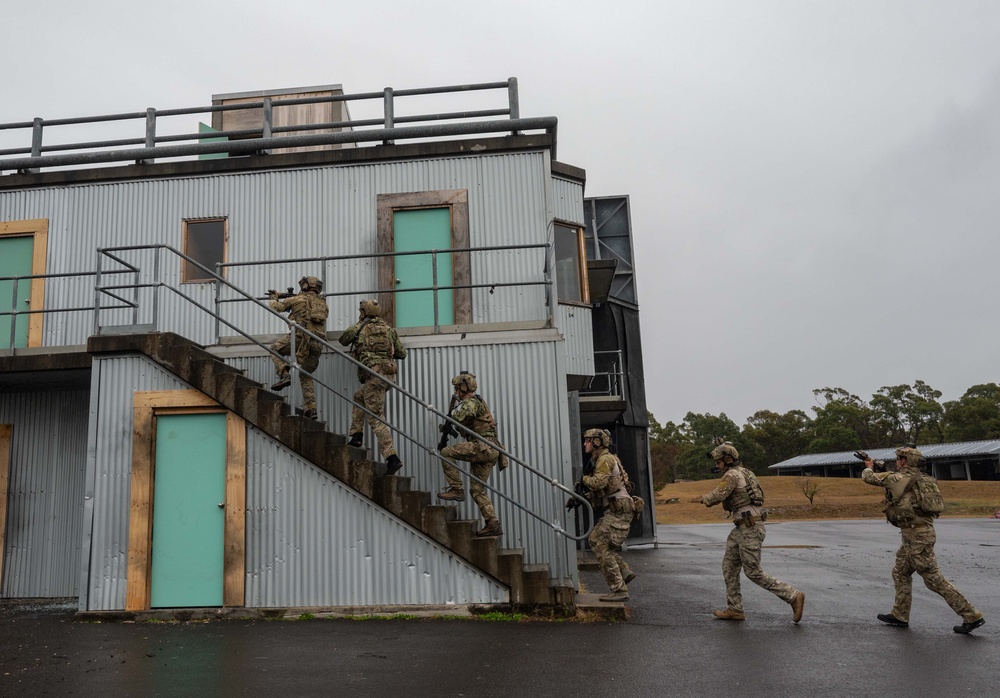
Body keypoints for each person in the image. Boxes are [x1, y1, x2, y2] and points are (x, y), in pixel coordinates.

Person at [861, 446, 986, 634]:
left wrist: (869, 466)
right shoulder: (925, 479)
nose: (896, 461)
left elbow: (868, 478)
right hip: (916, 534)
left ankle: (971, 615)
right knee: (900, 572)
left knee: (933, 579)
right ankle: (900, 615)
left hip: (917, 537)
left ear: (904, 461)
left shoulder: (897, 478)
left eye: (898, 459)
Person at [690, 441, 805, 622]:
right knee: (729, 566)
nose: (717, 466)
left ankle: (793, 595)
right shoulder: (746, 472)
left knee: (753, 571)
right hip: (741, 528)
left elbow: (715, 497)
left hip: (750, 528)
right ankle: (735, 609)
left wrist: (701, 499)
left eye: (719, 462)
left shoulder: (732, 475)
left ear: (728, 460)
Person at [339, 299, 407, 475]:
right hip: (388, 378)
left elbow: (343, 340)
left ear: (363, 311)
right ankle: (356, 436)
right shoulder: (389, 330)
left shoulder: (359, 328)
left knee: (376, 418)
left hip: (373, 377)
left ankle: (392, 458)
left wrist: (360, 324)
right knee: (359, 396)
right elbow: (402, 353)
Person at [437, 372, 503, 537]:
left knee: (446, 452)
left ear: (463, 388)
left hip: (483, 446)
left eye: (456, 388)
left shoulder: (472, 402)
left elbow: (460, 415)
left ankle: (457, 489)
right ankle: (492, 523)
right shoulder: (474, 402)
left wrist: (451, 416)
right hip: (489, 449)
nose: (455, 391)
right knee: (477, 489)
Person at [579, 428, 636, 602]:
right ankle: (624, 571)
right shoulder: (602, 459)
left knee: (602, 546)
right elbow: (603, 489)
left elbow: (598, 483)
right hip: (616, 508)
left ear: (597, 442)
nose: (585, 444)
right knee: (594, 540)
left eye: (588, 441)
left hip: (619, 509)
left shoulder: (604, 459)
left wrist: (583, 480)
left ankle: (619, 590)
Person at [269, 276, 328, 420]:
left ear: (306, 286)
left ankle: (285, 374)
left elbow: (276, 307)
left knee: (274, 348)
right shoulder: (323, 303)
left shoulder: (297, 300)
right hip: (317, 343)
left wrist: (274, 297)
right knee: (305, 375)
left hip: (301, 338)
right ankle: (311, 409)